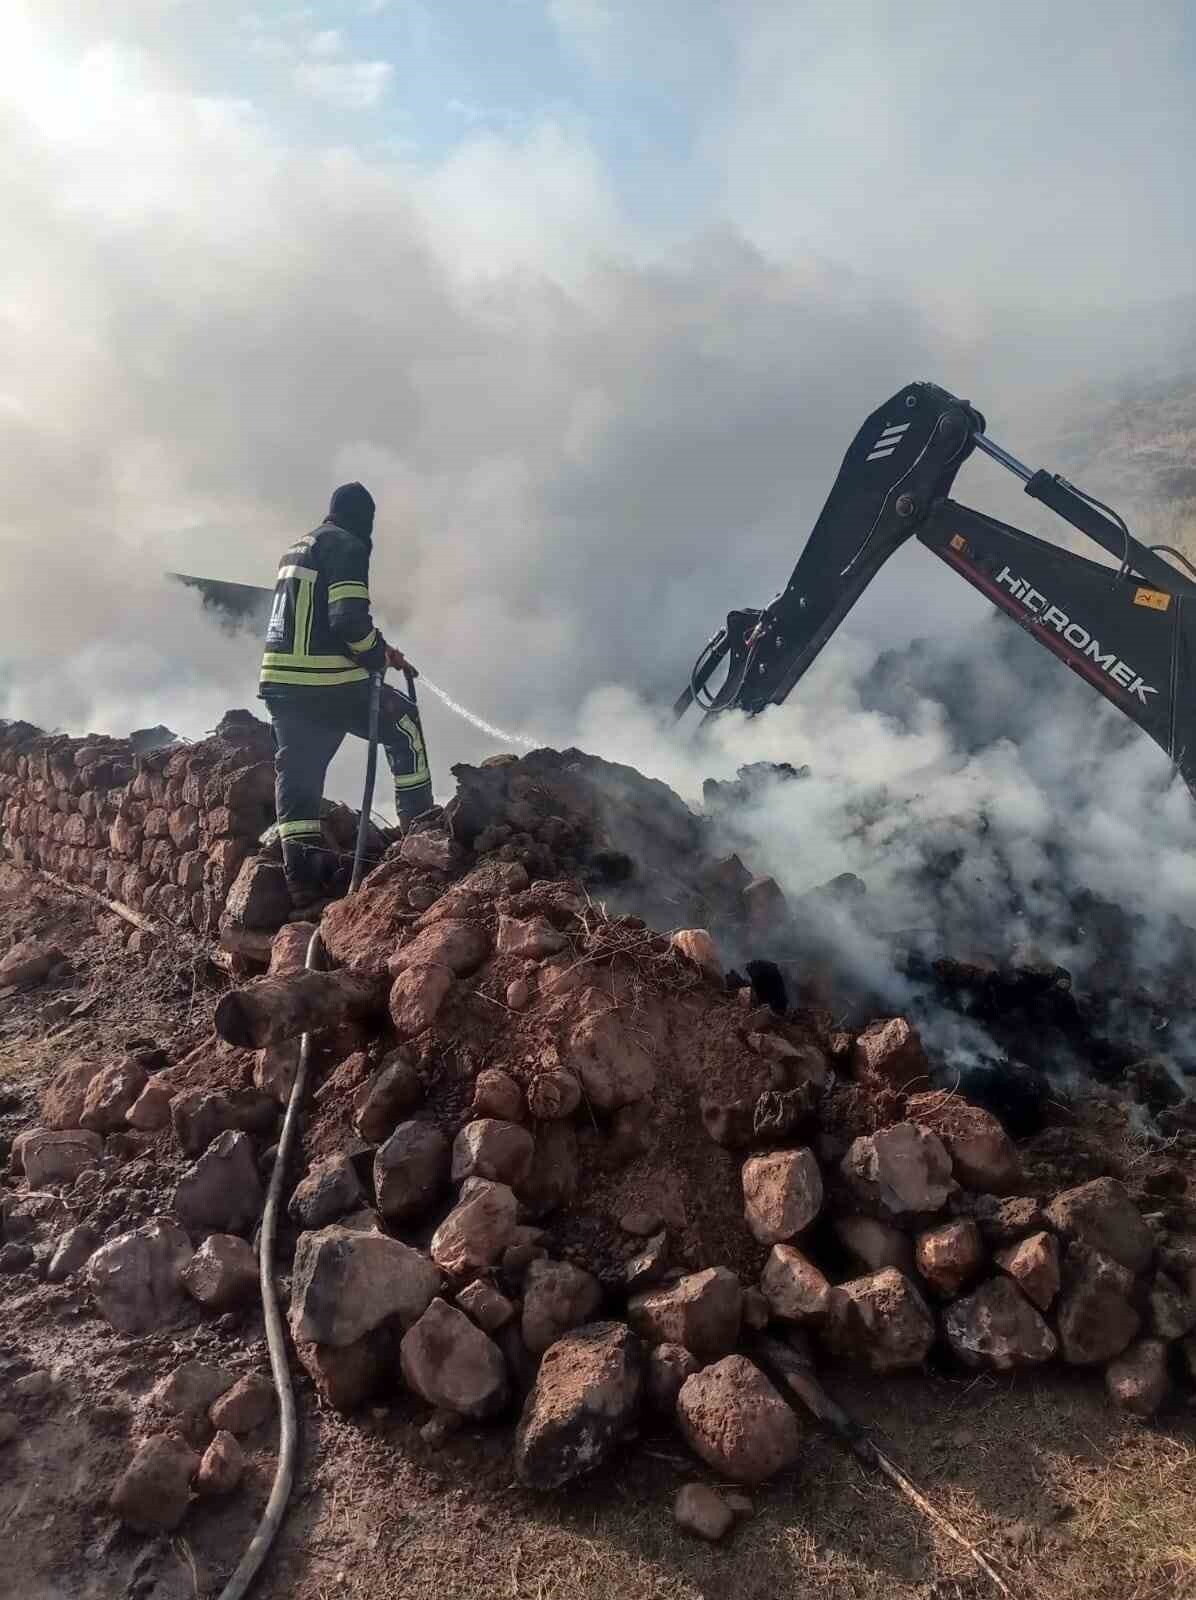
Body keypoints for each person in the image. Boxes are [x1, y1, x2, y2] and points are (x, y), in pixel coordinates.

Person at [258, 481, 433, 912]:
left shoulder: (298, 547)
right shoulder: (348, 547)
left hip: (283, 685)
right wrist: (375, 655)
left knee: (298, 778)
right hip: (326, 685)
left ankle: (304, 885)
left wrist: (384, 652)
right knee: (404, 725)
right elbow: (348, 621)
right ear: (363, 519)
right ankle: (424, 835)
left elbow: (320, 619)